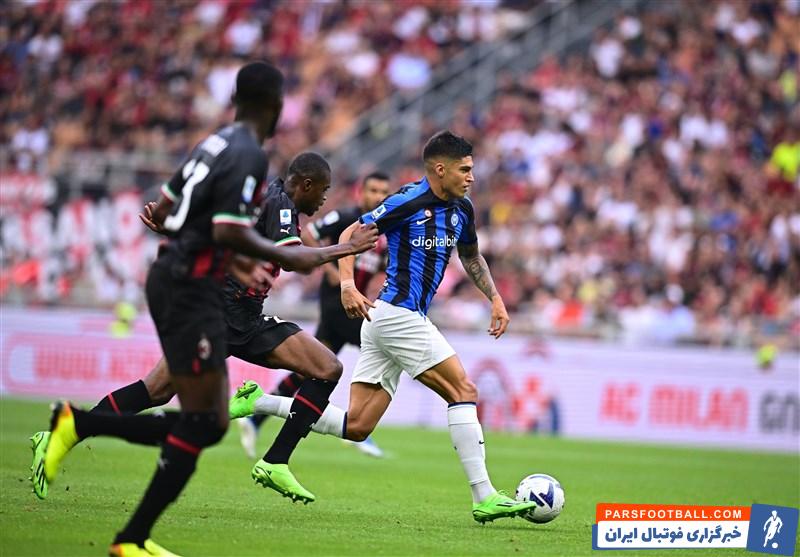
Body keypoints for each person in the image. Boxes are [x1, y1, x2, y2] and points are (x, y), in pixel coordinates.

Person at [35, 62, 377, 557]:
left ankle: (123, 501)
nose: (324, 201)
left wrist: (209, 247)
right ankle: (79, 434)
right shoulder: (255, 164)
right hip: (207, 300)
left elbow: (165, 209)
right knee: (195, 415)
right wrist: (344, 249)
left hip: (226, 304)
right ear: (276, 107)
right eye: (322, 193)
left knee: (293, 377)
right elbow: (281, 253)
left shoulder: (213, 144)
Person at [230, 130, 539, 523]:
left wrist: (494, 297)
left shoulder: (463, 210)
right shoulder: (407, 201)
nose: (471, 177)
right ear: (439, 169)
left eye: (471, 169)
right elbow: (350, 234)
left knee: (357, 426)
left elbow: (472, 256)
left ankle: (260, 402)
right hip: (397, 314)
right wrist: (347, 284)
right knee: (463, 390)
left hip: (385, 321)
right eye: (464, 169)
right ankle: (485, 495)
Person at [237, 171, 392, 459]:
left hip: (353, 303)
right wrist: (332, 271)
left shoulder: (380, 230)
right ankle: (357, 425)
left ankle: (256, 418)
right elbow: (309, 234)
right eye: (373, 190)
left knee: (311, 369)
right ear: (361, 192)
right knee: (381, 347)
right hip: (337, 302)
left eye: (384, 191)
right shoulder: (346, 218)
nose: (378, 196)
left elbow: (378, 266)